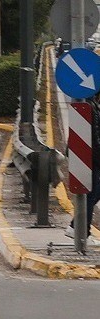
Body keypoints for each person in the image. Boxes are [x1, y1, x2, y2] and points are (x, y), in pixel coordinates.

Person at [65, 92, 100, 242]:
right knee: (90, 193)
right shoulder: (89, 107)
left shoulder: (91, 106)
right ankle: (81, 232)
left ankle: (76, 227)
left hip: (87, 156)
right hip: (88, 158)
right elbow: (94, 138)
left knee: (92, 193)